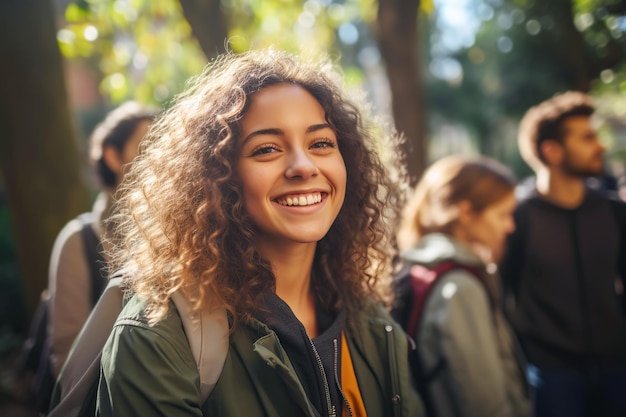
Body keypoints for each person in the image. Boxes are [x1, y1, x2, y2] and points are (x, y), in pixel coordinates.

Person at [96, 50, 423, 416]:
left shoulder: (372, 322)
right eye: (267, 149)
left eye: (321, 143)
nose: (303, 166)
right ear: (218, 176)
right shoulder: (160, 334)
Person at [499, 91, 626, 417]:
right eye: (587, 138)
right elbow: (501, 292)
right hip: (550, 377)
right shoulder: (518, 217)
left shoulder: (614, 212)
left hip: (617, 369)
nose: (599, 146)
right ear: (551, 151)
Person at [392, 155, 532, 417]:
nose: (510, 227)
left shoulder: (417, 265)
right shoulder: (460, 288)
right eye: (503, 214)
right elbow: (483, 401)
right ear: (466, 212)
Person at [47, 101, 159, 378]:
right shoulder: (78, 241)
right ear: (112, 156)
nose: (158, 159)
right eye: (146, 148)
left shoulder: (174, 235)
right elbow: (66, 356)